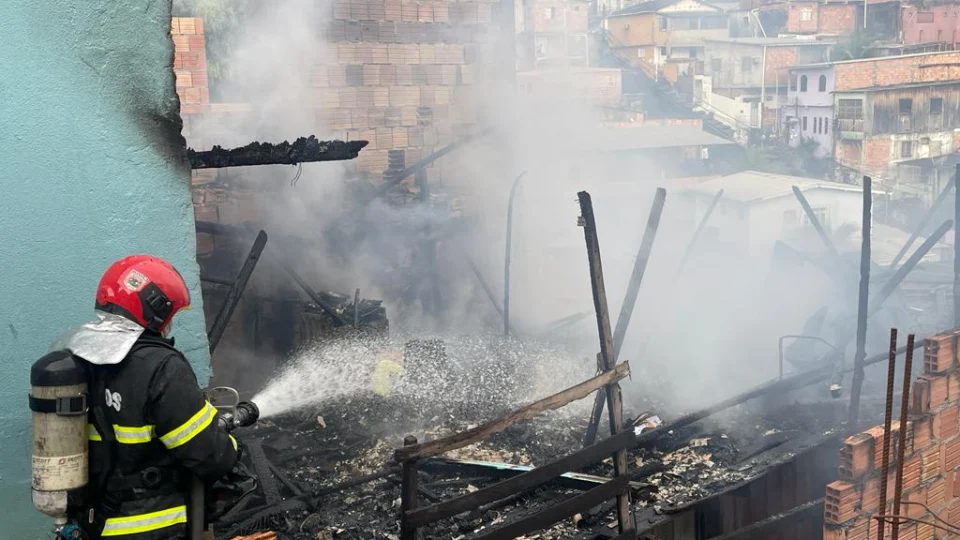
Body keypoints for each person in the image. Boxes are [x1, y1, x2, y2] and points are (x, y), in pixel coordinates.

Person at [56, 255, 239, 539]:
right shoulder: (161, 367)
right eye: (169, 316)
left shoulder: (77, 357)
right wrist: (230, 444)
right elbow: (209, 454)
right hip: (150, 527)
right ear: (153, 310)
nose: (168, 325)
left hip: (93, 524)